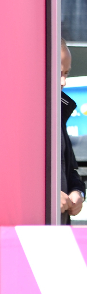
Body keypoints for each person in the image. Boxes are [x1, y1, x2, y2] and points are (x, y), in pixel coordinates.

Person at [60, 39, 84, 223]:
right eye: (59, 73)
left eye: (66, 73)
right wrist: (48, 195)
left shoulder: (59, 111)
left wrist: (78, 192)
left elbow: (69, 168)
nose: (64, 82)